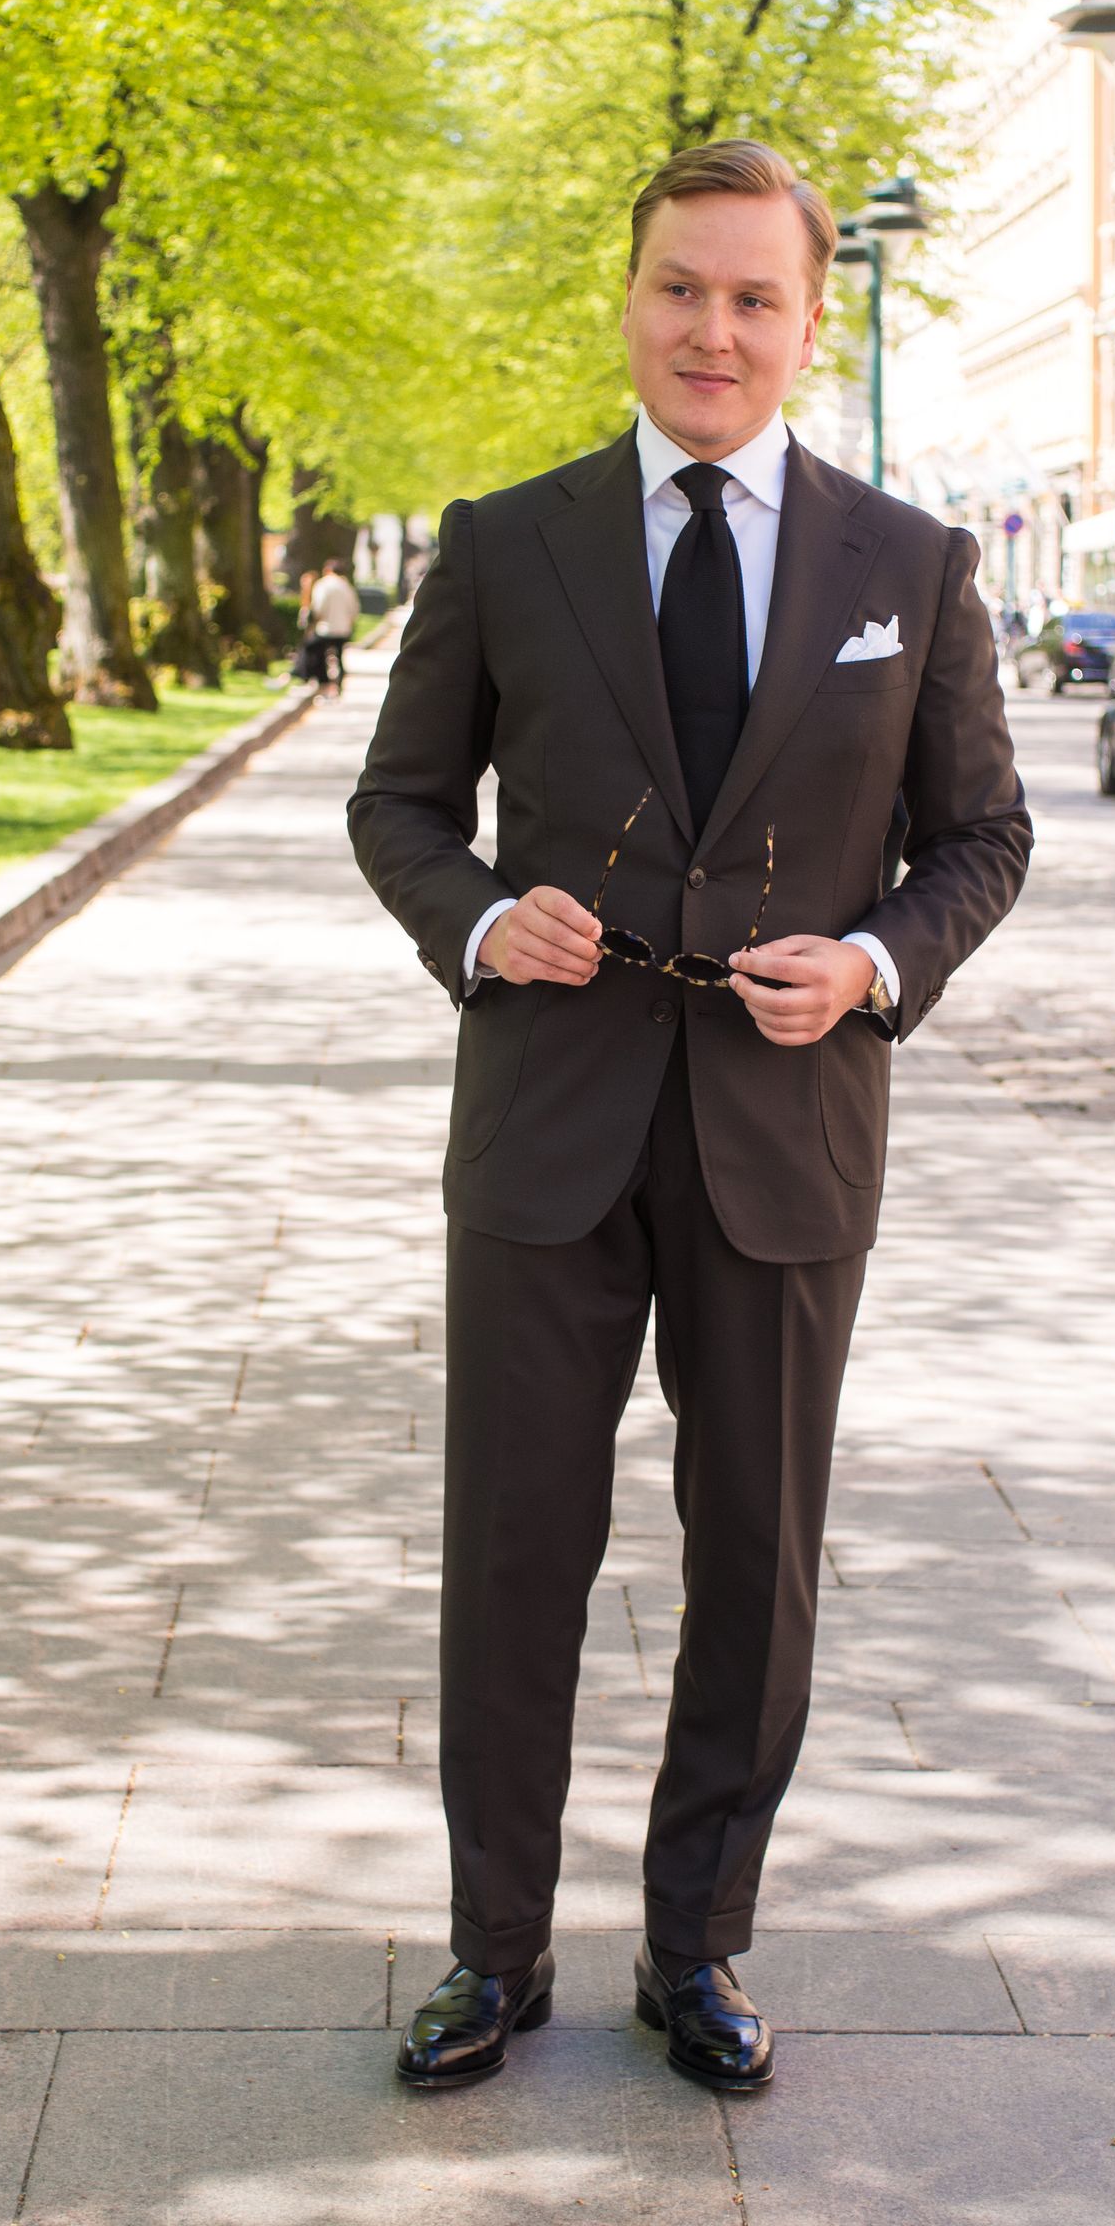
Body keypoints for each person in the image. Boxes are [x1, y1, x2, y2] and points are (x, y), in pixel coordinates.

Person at [349, 139, 1032, 2097]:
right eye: (679, 288)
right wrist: (479, 916)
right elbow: (398, 805)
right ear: (626, 297)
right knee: (514, 1552)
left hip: (787, 1139)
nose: (712, 329)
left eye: (753, 296)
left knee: (758, 1556)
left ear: (814, 320)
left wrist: (878, 965)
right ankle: (493, 1954)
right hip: (550, 1133)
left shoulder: (913, 567)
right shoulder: (506, 543)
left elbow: (982, 833)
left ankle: (696, 1947)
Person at [303, 555, 358, 695]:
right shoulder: (346, 586)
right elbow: (354, 608)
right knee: (339, 655)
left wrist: (314, 620)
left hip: (325, 628)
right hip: (343, 628)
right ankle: (339, 682)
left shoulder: (323, 584)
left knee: (316, 651)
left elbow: (318, 607)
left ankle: (324, 682)